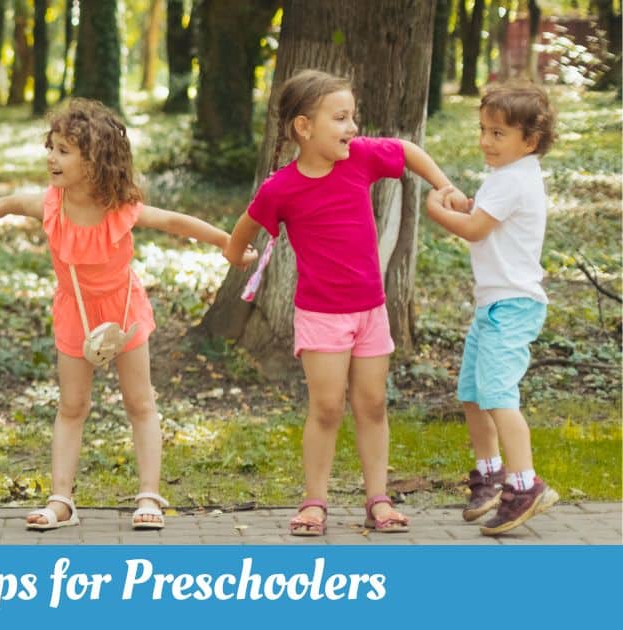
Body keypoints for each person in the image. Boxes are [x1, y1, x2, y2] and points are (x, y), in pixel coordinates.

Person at [0, 98, 258, 531]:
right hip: (75, 315)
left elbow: (177, 223)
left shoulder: (121, 210)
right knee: (72, 405)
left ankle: (149, 495)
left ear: (94, 162)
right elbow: (7, 203)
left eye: (64, 150)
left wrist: (231, 245)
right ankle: (62, 500)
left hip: (123, 312)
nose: (51, 158)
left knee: (140, 402)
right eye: (52, 147)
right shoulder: (49, 204)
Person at [223, 70, 464, 536]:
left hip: (370, 311)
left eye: (353, 116)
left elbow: (407, 151)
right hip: (320, 316)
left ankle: (379, 499)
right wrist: (238, 255)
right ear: (303, 127)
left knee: (372, 404)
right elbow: (244, 228)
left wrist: (444, 184)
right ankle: (314, 501)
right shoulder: (282, 188)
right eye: (340, 117)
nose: (352, 127)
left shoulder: (361, 159)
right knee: (328, 407)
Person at [425, 80, 560, 536]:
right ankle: (491, 474)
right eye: (483, 129)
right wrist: (462, 203)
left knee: (499, 395)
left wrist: (437, 210)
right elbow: (484, 213)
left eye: (498, 133)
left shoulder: (514, 179)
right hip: (494, 306)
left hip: (512, 306)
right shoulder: (509, 177)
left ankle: (525, 486)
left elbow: (477, 229)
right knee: (472, 393)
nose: (486, 141)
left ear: (530, 140)